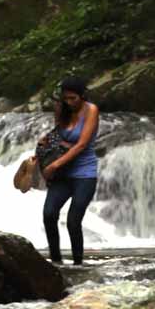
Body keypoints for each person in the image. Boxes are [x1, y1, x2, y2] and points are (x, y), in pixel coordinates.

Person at [41, 77, 99, 265]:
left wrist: (54, 165)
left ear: (82, 96)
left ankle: (78, 265)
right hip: (63, 174)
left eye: (73, 98)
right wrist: (45, 142)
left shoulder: (91, 110)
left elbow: (81, 144)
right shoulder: (62, 110)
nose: (69, 102)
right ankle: (56, 262)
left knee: (74, 221)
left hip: (84, 174)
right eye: (66, 98)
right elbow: (57, 135)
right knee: (49, 214)